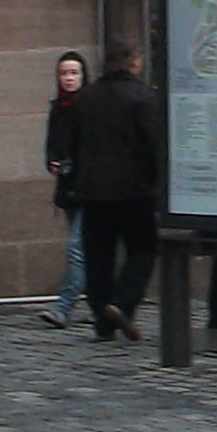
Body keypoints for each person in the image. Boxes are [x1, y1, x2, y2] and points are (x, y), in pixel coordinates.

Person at [69, 41, 165, 342]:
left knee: (98, 256)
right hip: (135, 191)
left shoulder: (86, 98)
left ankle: (103, 318)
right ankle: (122, 303)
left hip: (93, 190)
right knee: (143, 250)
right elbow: (154, 146)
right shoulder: (143, 97)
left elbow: (73, 144)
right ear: (133, 64)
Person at [40, 51, 90, 325]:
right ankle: (104, 303)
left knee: (76, 246)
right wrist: (53, 162)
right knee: (86, 250)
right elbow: (51, 144)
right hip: (68, 187)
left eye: (74, 73)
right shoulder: (58, 109)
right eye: (64, 73)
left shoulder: (90, 107)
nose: (69, 78)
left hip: (88, 187)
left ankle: (64, 306)